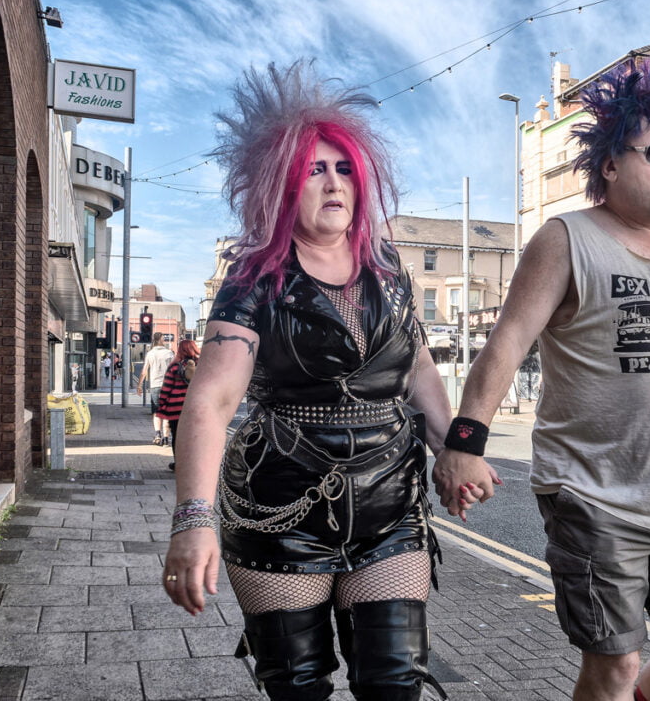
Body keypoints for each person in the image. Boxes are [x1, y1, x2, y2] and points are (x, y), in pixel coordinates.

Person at [433, 59, 650, 701]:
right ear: (611, 164)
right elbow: (507, 343)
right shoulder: (566, 239)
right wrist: (464, 443)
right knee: (613, 665)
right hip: (593, 496)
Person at [161, 61, 494, 700]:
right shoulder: (255, 276)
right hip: (279, 508)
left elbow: (418, 368)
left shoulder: (390, 268)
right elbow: (213, 399)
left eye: (344, 168)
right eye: (315, 168)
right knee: (298, 687)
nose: (334, 181)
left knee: (394, 684)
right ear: (283, 183)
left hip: (391, 507)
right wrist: (193, 519)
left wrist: (454, 449)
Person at [156, 338, 200, 471]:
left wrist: (162, 404)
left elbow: (167, 387)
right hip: (195, 406)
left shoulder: (175, 366)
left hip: (176, 407)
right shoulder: (202, 365)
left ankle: (179, 464)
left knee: (178, 436)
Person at [138, 334, 175, 445]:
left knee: (156, 411)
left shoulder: (150, 354)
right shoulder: (169, 353)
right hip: (168, 385)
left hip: (155, 385)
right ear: (161, 340)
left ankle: (158, 434)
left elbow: (144, 371)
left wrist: (139, 385)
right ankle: (166, 438)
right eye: (163, 339)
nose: (164, 340)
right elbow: (174, 370)